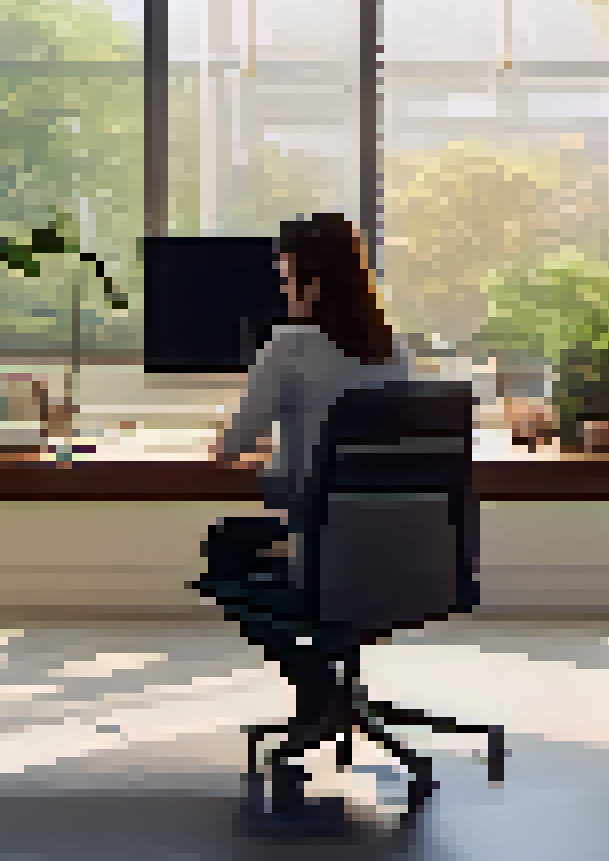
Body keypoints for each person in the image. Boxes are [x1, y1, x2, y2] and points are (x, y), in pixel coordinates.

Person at [189, 212, 410, 792]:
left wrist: (248, 451)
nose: (285, 293)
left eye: (287, 281)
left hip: (324, 551)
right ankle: (330, 689)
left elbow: (229, 449)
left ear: (311, 283)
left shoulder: (290, 345)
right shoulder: (395, 351)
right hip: (404, 557)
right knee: (264, 543)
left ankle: (317, 687)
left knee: (223, 550)